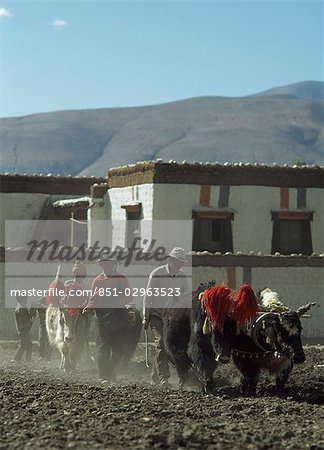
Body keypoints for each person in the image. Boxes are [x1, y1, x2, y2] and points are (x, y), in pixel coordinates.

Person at [142, 247, 189, 386]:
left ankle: (155, 378)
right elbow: (148, 295)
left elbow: (185, 297)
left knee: (169, 345)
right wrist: (145, 316)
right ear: (170, 260)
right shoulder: (156, 274)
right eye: (177, 261)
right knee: (162, 342)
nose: (179, 265)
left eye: (181, 262)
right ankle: (164, 378)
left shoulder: (182, 276)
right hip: (156, 314)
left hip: (171, 316)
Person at [83, 254, 132, 380]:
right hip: (101, 317)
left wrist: (122, 300)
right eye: (104, 263)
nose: (107, 266)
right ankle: (104, 376)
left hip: (118, 316)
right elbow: (93, 298)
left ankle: (110, 371)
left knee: (118, 348)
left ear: (113, 264)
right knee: (103, 347)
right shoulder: (97, 280)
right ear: (101, 265)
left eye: (109, 263)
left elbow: (129, 296)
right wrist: (88, 307)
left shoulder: (121, 278)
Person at [12, 293, 36, 363]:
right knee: (23, 344)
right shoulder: (21, 308)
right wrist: (32, 312)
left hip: (23, 329)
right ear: (21, 299)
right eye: (25, 299)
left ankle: (28, 359)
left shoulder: (20, 307)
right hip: (23, 329)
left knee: (29, 345)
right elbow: (26, 319)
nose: (26, 300)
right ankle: (16, 359)